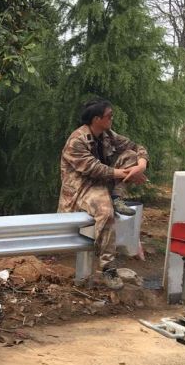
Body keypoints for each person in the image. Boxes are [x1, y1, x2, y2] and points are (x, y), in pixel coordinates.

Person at [58, 97, 148, 290]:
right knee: (106, 214)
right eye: (109, 116)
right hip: (82, 188)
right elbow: (94, 169)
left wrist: (140, 165)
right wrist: (129, 174)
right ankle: (107, 267)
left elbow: (135, 147)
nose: (112, 118)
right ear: (96, 119)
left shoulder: (107, 134)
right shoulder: (77, 140)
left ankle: (117, 197)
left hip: (101, 184)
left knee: (130, 157)